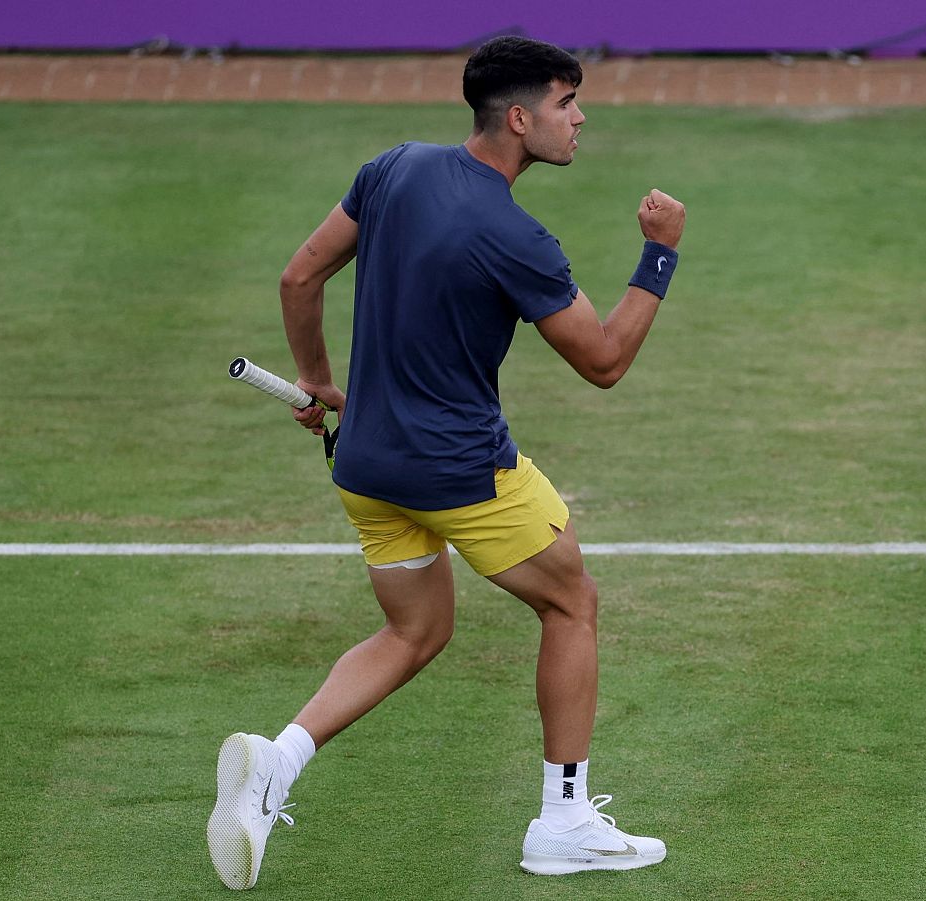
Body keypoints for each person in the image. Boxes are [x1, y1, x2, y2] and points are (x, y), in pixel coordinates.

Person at [206, 36, 686, 889]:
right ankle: (564, 820)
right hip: (461, 472)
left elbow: (299, 276)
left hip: (366, 467)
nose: (580, 119)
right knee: (572, 600)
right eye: (566, 104)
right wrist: (659, 254)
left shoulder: (393, 168)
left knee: (416, 629)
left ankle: (273, 766)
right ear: (517, 118)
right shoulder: (516, 236)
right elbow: (605, 360)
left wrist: (315, 379)